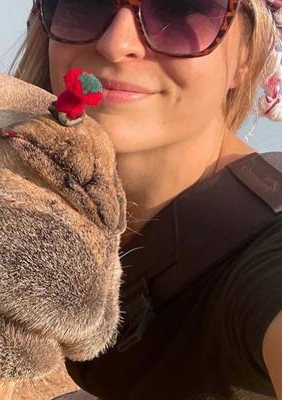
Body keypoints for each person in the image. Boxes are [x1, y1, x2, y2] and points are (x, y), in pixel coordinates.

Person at [15, 0, 282, 399]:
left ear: (246, 56)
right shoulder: (31, 179)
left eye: (181, 8)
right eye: (84, 4)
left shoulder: (263, 252)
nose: (115, 43)